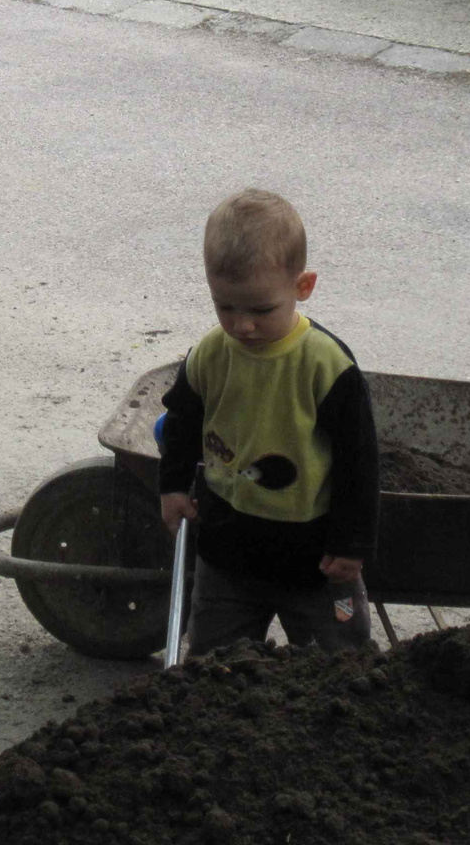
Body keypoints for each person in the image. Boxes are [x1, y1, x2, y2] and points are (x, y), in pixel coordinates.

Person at [157, 189, 379, 656]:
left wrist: (351, 544)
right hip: (227, 556)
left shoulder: (325, 365)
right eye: (226, 306)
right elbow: (181, 423)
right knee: (213, 662)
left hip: (316, 562)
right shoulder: (210, 356)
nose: (242, 326)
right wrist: (173, 486)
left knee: (340, 663)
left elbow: (360, 461)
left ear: (303, 287)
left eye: (260, 310)